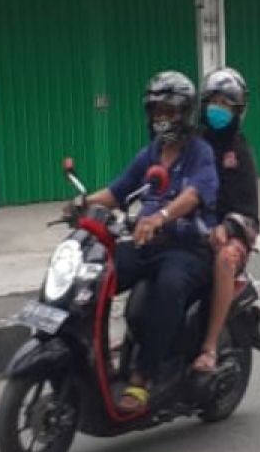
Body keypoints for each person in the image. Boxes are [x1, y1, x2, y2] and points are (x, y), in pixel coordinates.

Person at [81, 71, 219, 413]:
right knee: (97, 272)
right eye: (156, 111)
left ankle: (143, 377)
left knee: (168, 288)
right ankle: (90, 352)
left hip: (189, 249)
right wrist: (82, 205)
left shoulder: (200, 152)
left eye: (168, 112)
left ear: (184, 114)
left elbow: (194, 194)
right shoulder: (151, 154)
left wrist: (161, 216)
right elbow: (117, 191)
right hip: (148, 243)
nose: (161, 119)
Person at [191, 67, 260, 374]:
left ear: (238, 110)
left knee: (224, 258)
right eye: (214, 102)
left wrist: (227, 227)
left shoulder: (239, 151)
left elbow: (247, 208)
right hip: (194, 224)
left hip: (235, 228)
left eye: (227, 104)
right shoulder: (193, 143)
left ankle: (209, 345)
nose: (220, 110)